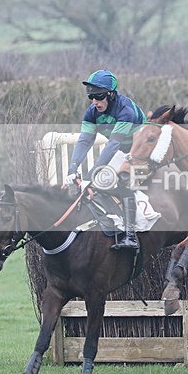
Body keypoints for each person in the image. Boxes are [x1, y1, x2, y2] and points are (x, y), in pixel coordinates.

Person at [64, 69, 146, 250]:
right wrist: (73, 167)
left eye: (99, 96)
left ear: (111, 94)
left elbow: (113, 144)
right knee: (99, 182)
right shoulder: (91, 112)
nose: (95, 102)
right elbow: (85, 140)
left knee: (122, 179)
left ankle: (131, 236)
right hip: (123, 150)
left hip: (142, 150)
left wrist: (94, 171)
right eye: (91, 97)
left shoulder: (126, 110)